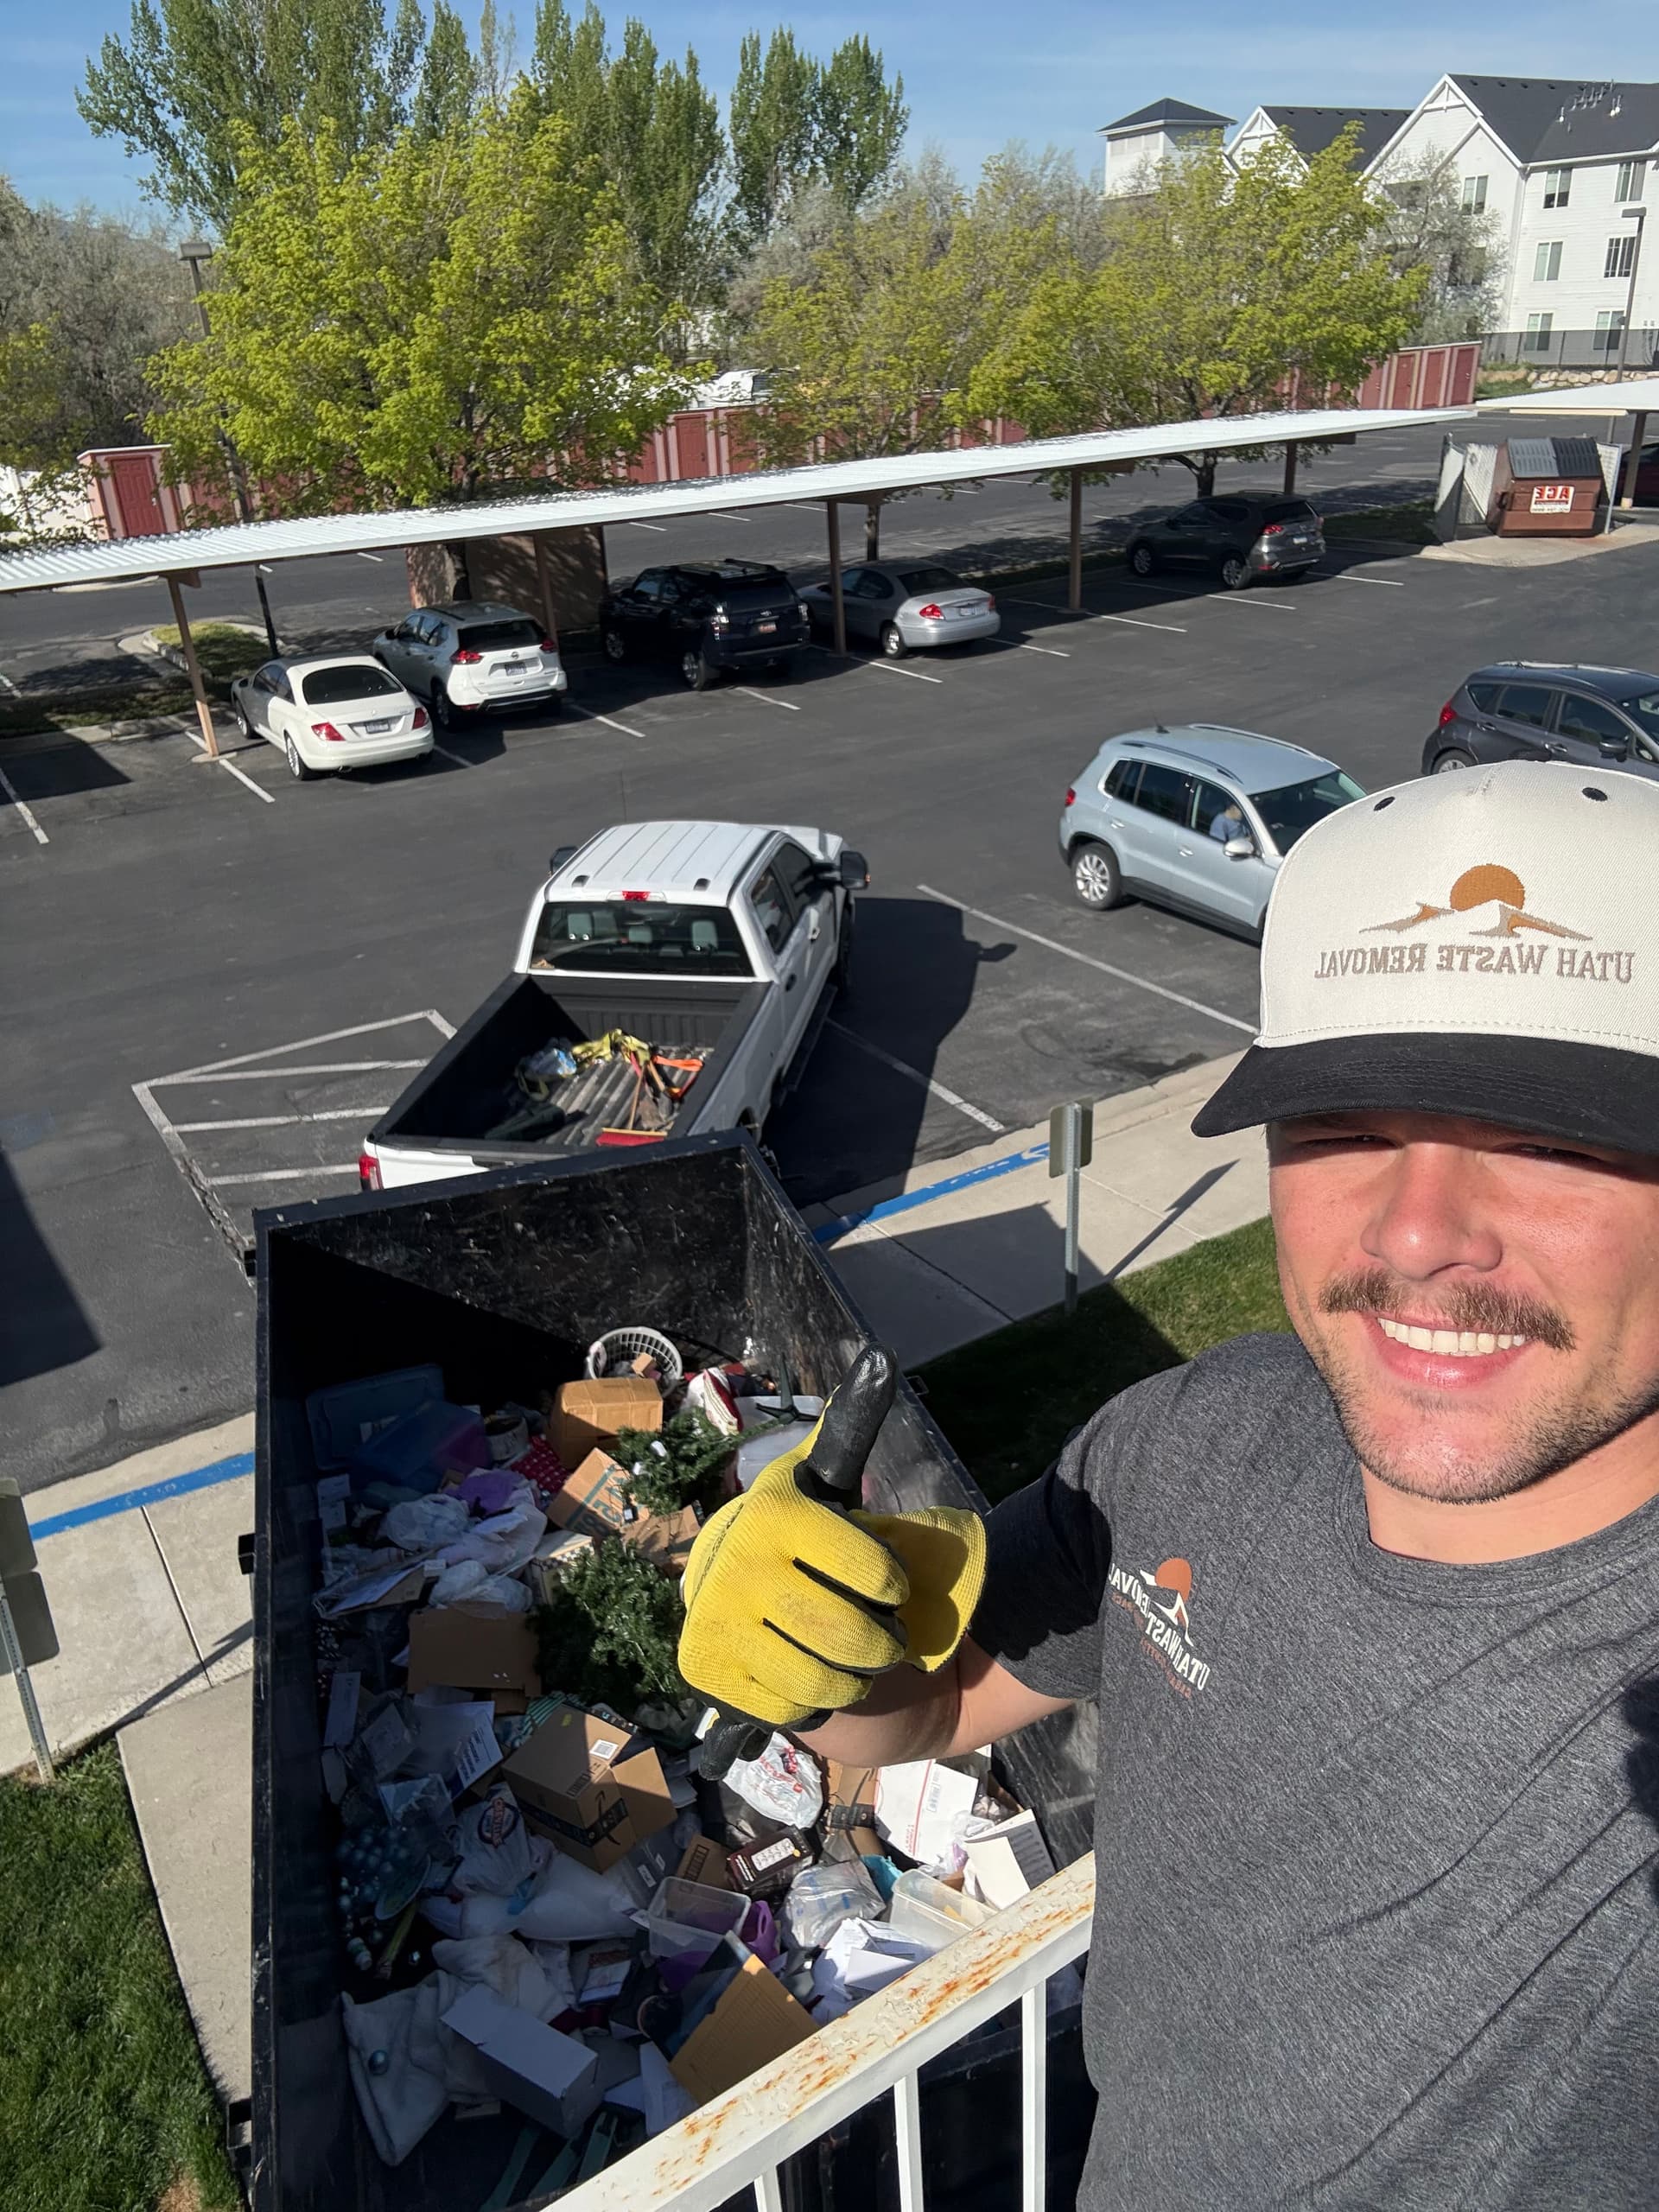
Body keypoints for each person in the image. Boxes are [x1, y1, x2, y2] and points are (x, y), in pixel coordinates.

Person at [679, 759, 1659, 2208]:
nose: (1416, 1235)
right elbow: (940, 1707)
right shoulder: (1195, 1439)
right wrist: (826, 1645)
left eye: (1551, 1142)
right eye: (1349, 1126)